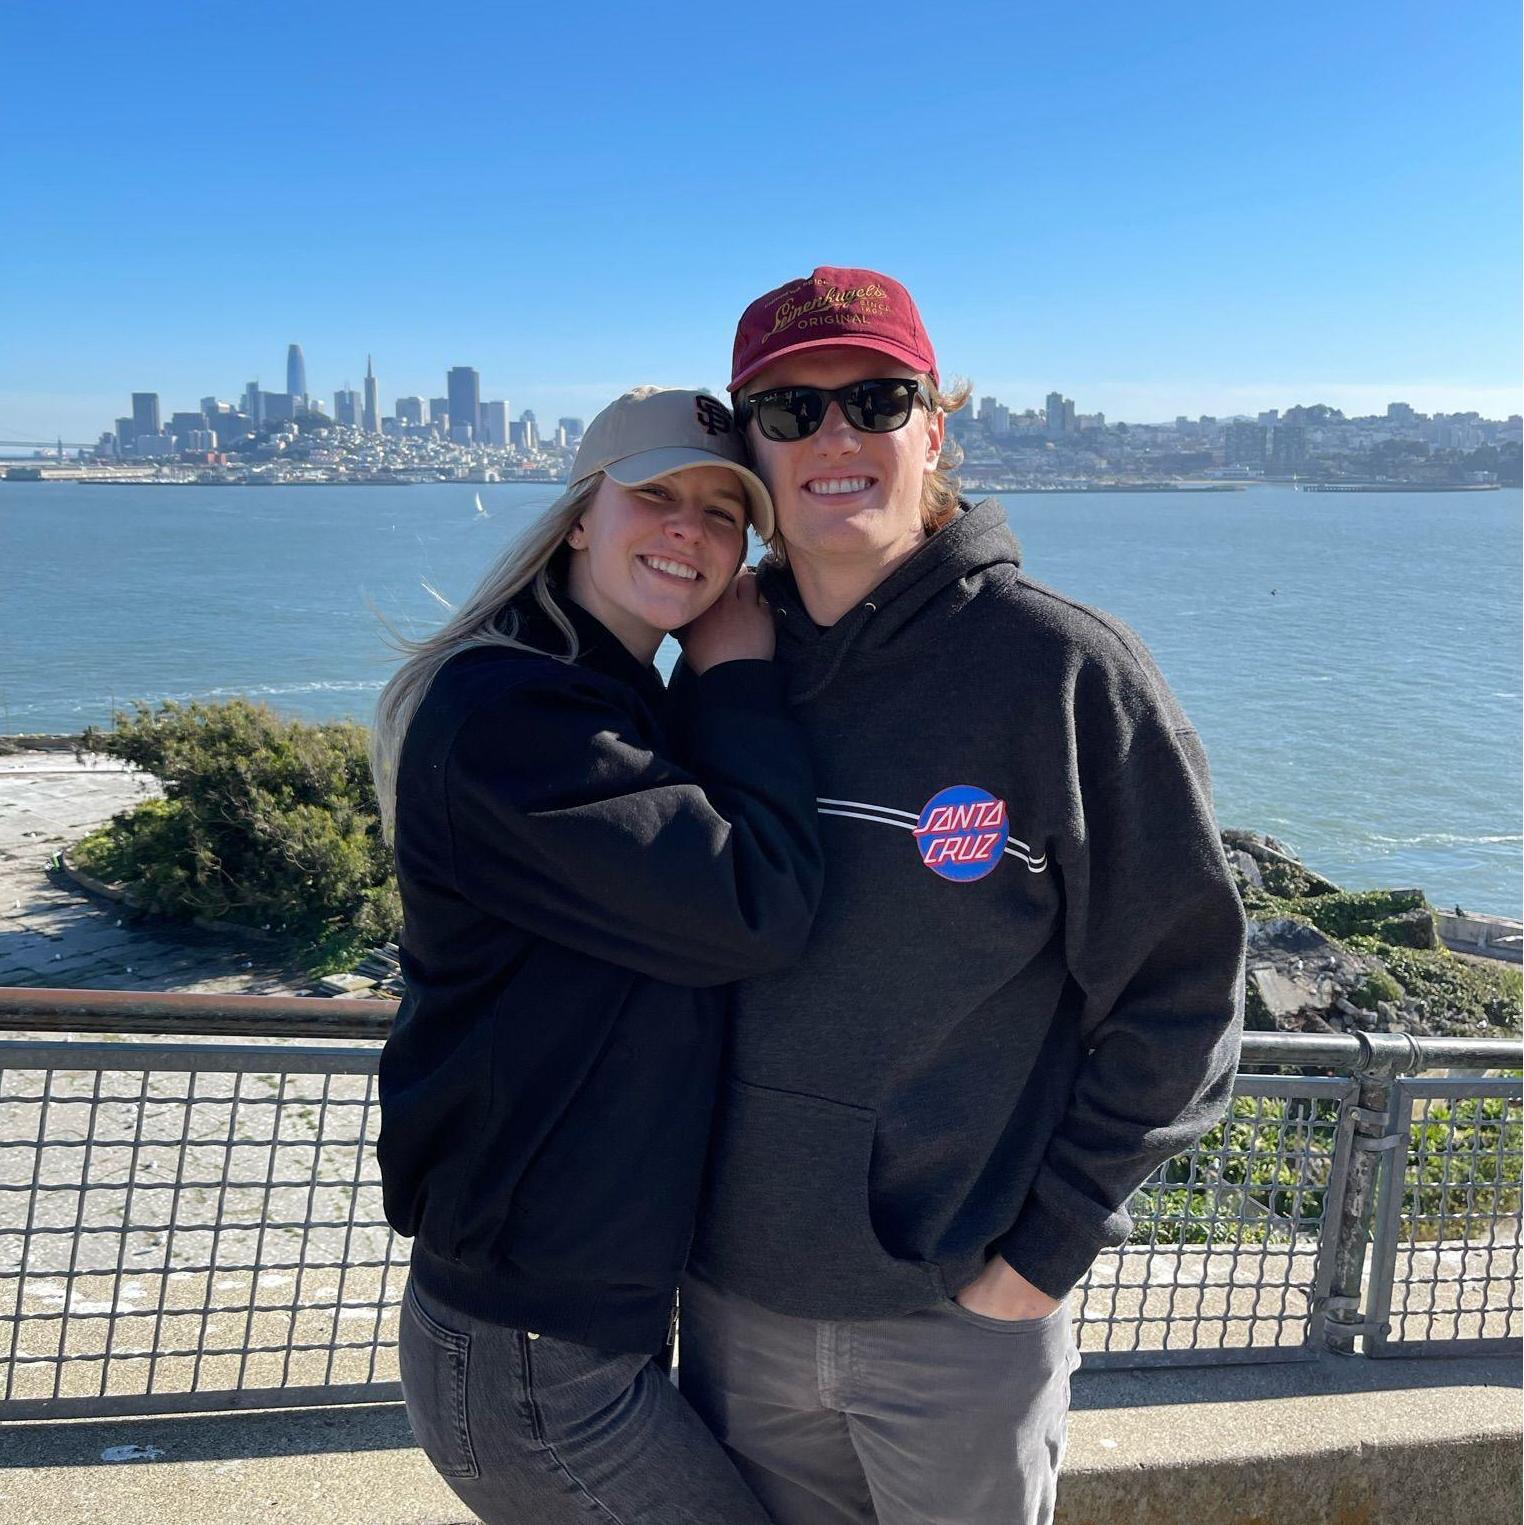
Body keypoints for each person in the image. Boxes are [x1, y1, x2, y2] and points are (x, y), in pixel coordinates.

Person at [677, 269, 1248, 1525]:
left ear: (936, 428)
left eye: (875, 400)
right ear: (747, 448)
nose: (835, 437)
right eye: (789, 411)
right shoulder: (712, 666)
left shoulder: (1063, 672)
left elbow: (1186, 992)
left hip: (960, 1323)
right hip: (731, 1306)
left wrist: (1036, 1260)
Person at [372, 385, 823, 1524]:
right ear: (581, 515)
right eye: (656, 496)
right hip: (533, 1354)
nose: (689, 530)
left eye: (723, 515)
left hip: (565, 1323)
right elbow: (751, 905)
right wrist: (736, 672)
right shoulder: (517, 721)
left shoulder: (600, 695)